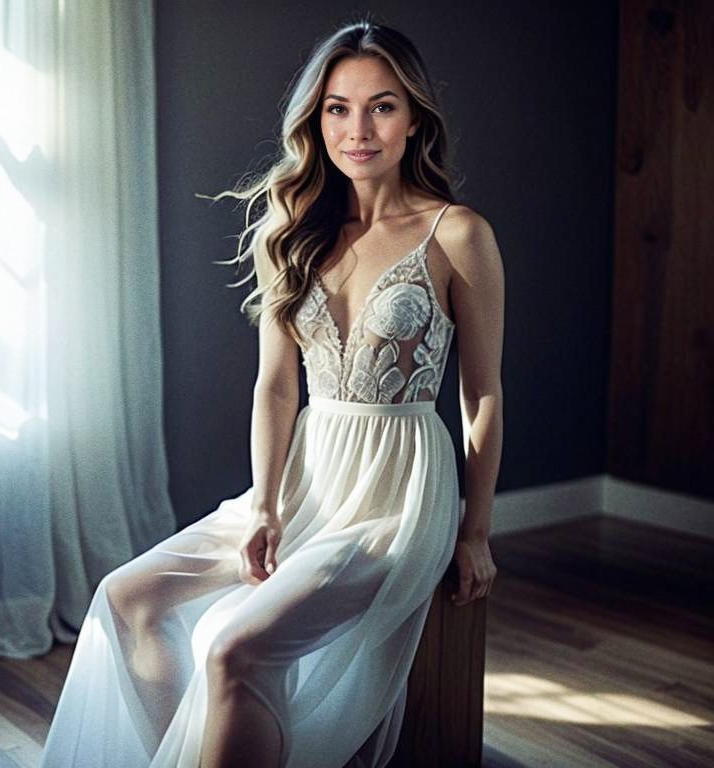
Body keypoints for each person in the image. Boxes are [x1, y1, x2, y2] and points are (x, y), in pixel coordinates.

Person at [39, 17, 503, 768]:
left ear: (414, 118)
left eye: (382, 106)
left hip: (394, 496)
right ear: (316, 121)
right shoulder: (293, 228)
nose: (359, 128)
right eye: (337, 108)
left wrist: (474, 530)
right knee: (127, 598)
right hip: (303, 479)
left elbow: (482, 395)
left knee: (231, 645)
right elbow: (277, 387)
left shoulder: (457, 234)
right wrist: (263, 501)